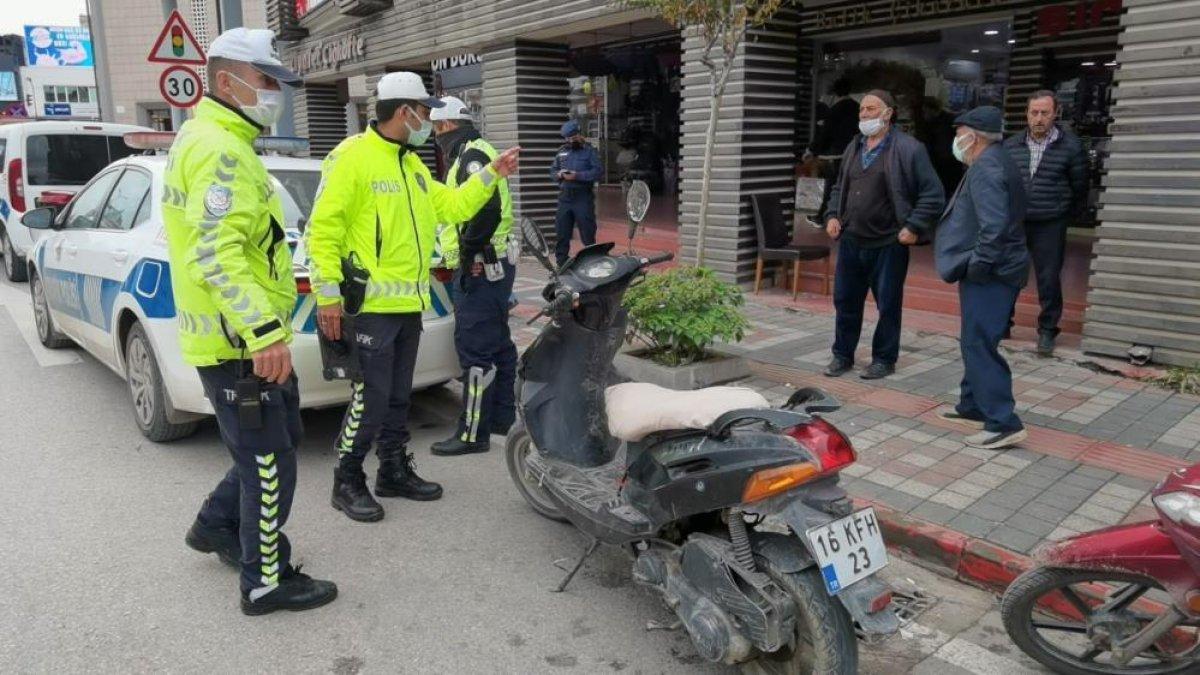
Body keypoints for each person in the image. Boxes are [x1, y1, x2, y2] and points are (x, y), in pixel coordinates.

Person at [168, 27, 337, 615]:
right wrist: (263, 332)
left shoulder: (208, 137)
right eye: (267, 81)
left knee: (266, 450)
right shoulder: (220, 148)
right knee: (271, 467)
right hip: (241, 341)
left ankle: (215, 529)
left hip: (229, 336)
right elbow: (216, 252)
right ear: (226, 81)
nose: (275, 93)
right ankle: (265, 581)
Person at [306, 73, 520, 522]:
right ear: (405, 112)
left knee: (398, 396)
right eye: (425, 111)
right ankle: (346, 480)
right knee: (371, 397)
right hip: (369, 309)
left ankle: (393, 470)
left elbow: (453, 207)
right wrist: (326, 297)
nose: (429, 120)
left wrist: (490, 175)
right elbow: (321, 231)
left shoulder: (411, 165)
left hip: (407, 305)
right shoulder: (352, 158)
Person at [822, 89, 945, 380]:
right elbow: (839, 187)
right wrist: (832, 215)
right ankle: (842, 355)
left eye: (871, 109)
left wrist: (913, 226)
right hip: (852, 240)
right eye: (862, 110)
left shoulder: (909, 149)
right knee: (845, 302)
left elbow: (933, 194)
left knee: (888, 306)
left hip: (888, 243)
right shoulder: (854, 147)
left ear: (889, 113)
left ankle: (884, 359)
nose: (864, 115)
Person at [935, 106, 1030, 451]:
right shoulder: (997, 160)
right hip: (997, 269)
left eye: (959, 133)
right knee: (974, 338)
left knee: (979, 342)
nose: (956, 140)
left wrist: (977, 266)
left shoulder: (987, 168)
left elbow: (994, 228)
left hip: (992, 273)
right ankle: (972, 405)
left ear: (973, 136)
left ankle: (1004, 422)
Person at [428, 96, 519, 456]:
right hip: (491, 264)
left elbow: (486, 210)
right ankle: (500, 418)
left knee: (475, 350)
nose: (434, 136)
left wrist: (467, 255)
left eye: (436, 129)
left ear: (447, 125)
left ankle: (472, 433)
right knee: (498, 344)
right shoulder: (475, 150)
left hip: (481, 265)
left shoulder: (471, 156)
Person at [1003, 90, 1088, 356]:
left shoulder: (1071, 147)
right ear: (1026, 114)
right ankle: (1002, 323)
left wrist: (1063, 212)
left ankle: (1048, 330)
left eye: (1045, 113)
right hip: (1016, 220)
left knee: (1048, 277)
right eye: (1034, 113)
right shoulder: (1011, 145)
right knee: (1009, 273)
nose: (1038, 118)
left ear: (1056, 114)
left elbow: (1080, 186)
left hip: (1050, 221)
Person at [550, 119, 601, 267]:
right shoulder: (561, 152)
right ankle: (561, 264)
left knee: (587, 232)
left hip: (583, 198)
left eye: (573, 138)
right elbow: (552, 171)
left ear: (579, 135)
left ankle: (592, 263)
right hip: (565, 198)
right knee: (562, 233)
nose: (570, 141)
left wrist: (577, 175)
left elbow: (597, 172)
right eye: (568, 139)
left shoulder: (589, 151)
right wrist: (559, 174)